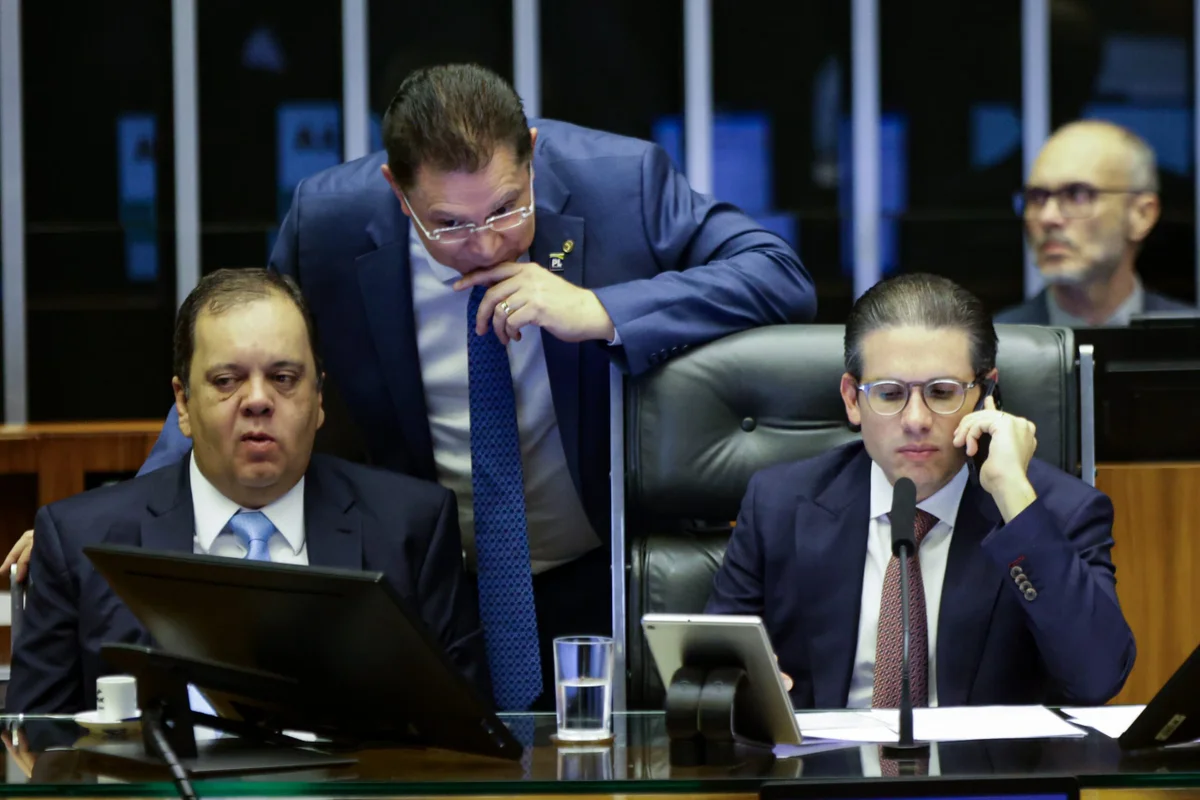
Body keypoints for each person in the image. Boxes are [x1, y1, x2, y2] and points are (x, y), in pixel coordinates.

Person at [0, 63, 816, 712]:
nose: (484, 244)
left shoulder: (621, 184)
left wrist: (602, 309)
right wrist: (120, 524)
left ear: (532, 153)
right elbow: (244, 356)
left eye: (507, 210)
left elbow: (777, 273)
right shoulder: (329, 221)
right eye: (448, 225)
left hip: (590, 561)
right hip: (424, 579)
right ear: (397, 191)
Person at [6, 269, 488, 714]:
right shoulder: (78, 543)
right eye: (227, 380)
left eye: (283, 378)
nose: (258, 400)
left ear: (319, 398)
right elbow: (34, 744)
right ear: (183, 404)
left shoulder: (412, 529)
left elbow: (466, 740)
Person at [707, 273, 1136, 708]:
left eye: (942, 392)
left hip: (986, 756)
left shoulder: (1057, 511)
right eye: (890, 394)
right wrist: (740, 684)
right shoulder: (779, 504)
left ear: (986, 395)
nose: (915, 420)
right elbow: (711, 670)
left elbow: (1097, 679)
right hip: (826, 753)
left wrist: (1013, 498)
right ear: (853, 400)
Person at [997, 120, 1193, 326]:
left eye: (1077, 195)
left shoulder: (1189, 338)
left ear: (1141, 215)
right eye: (1037, 197)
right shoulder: (999, 342)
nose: (1048, 217)